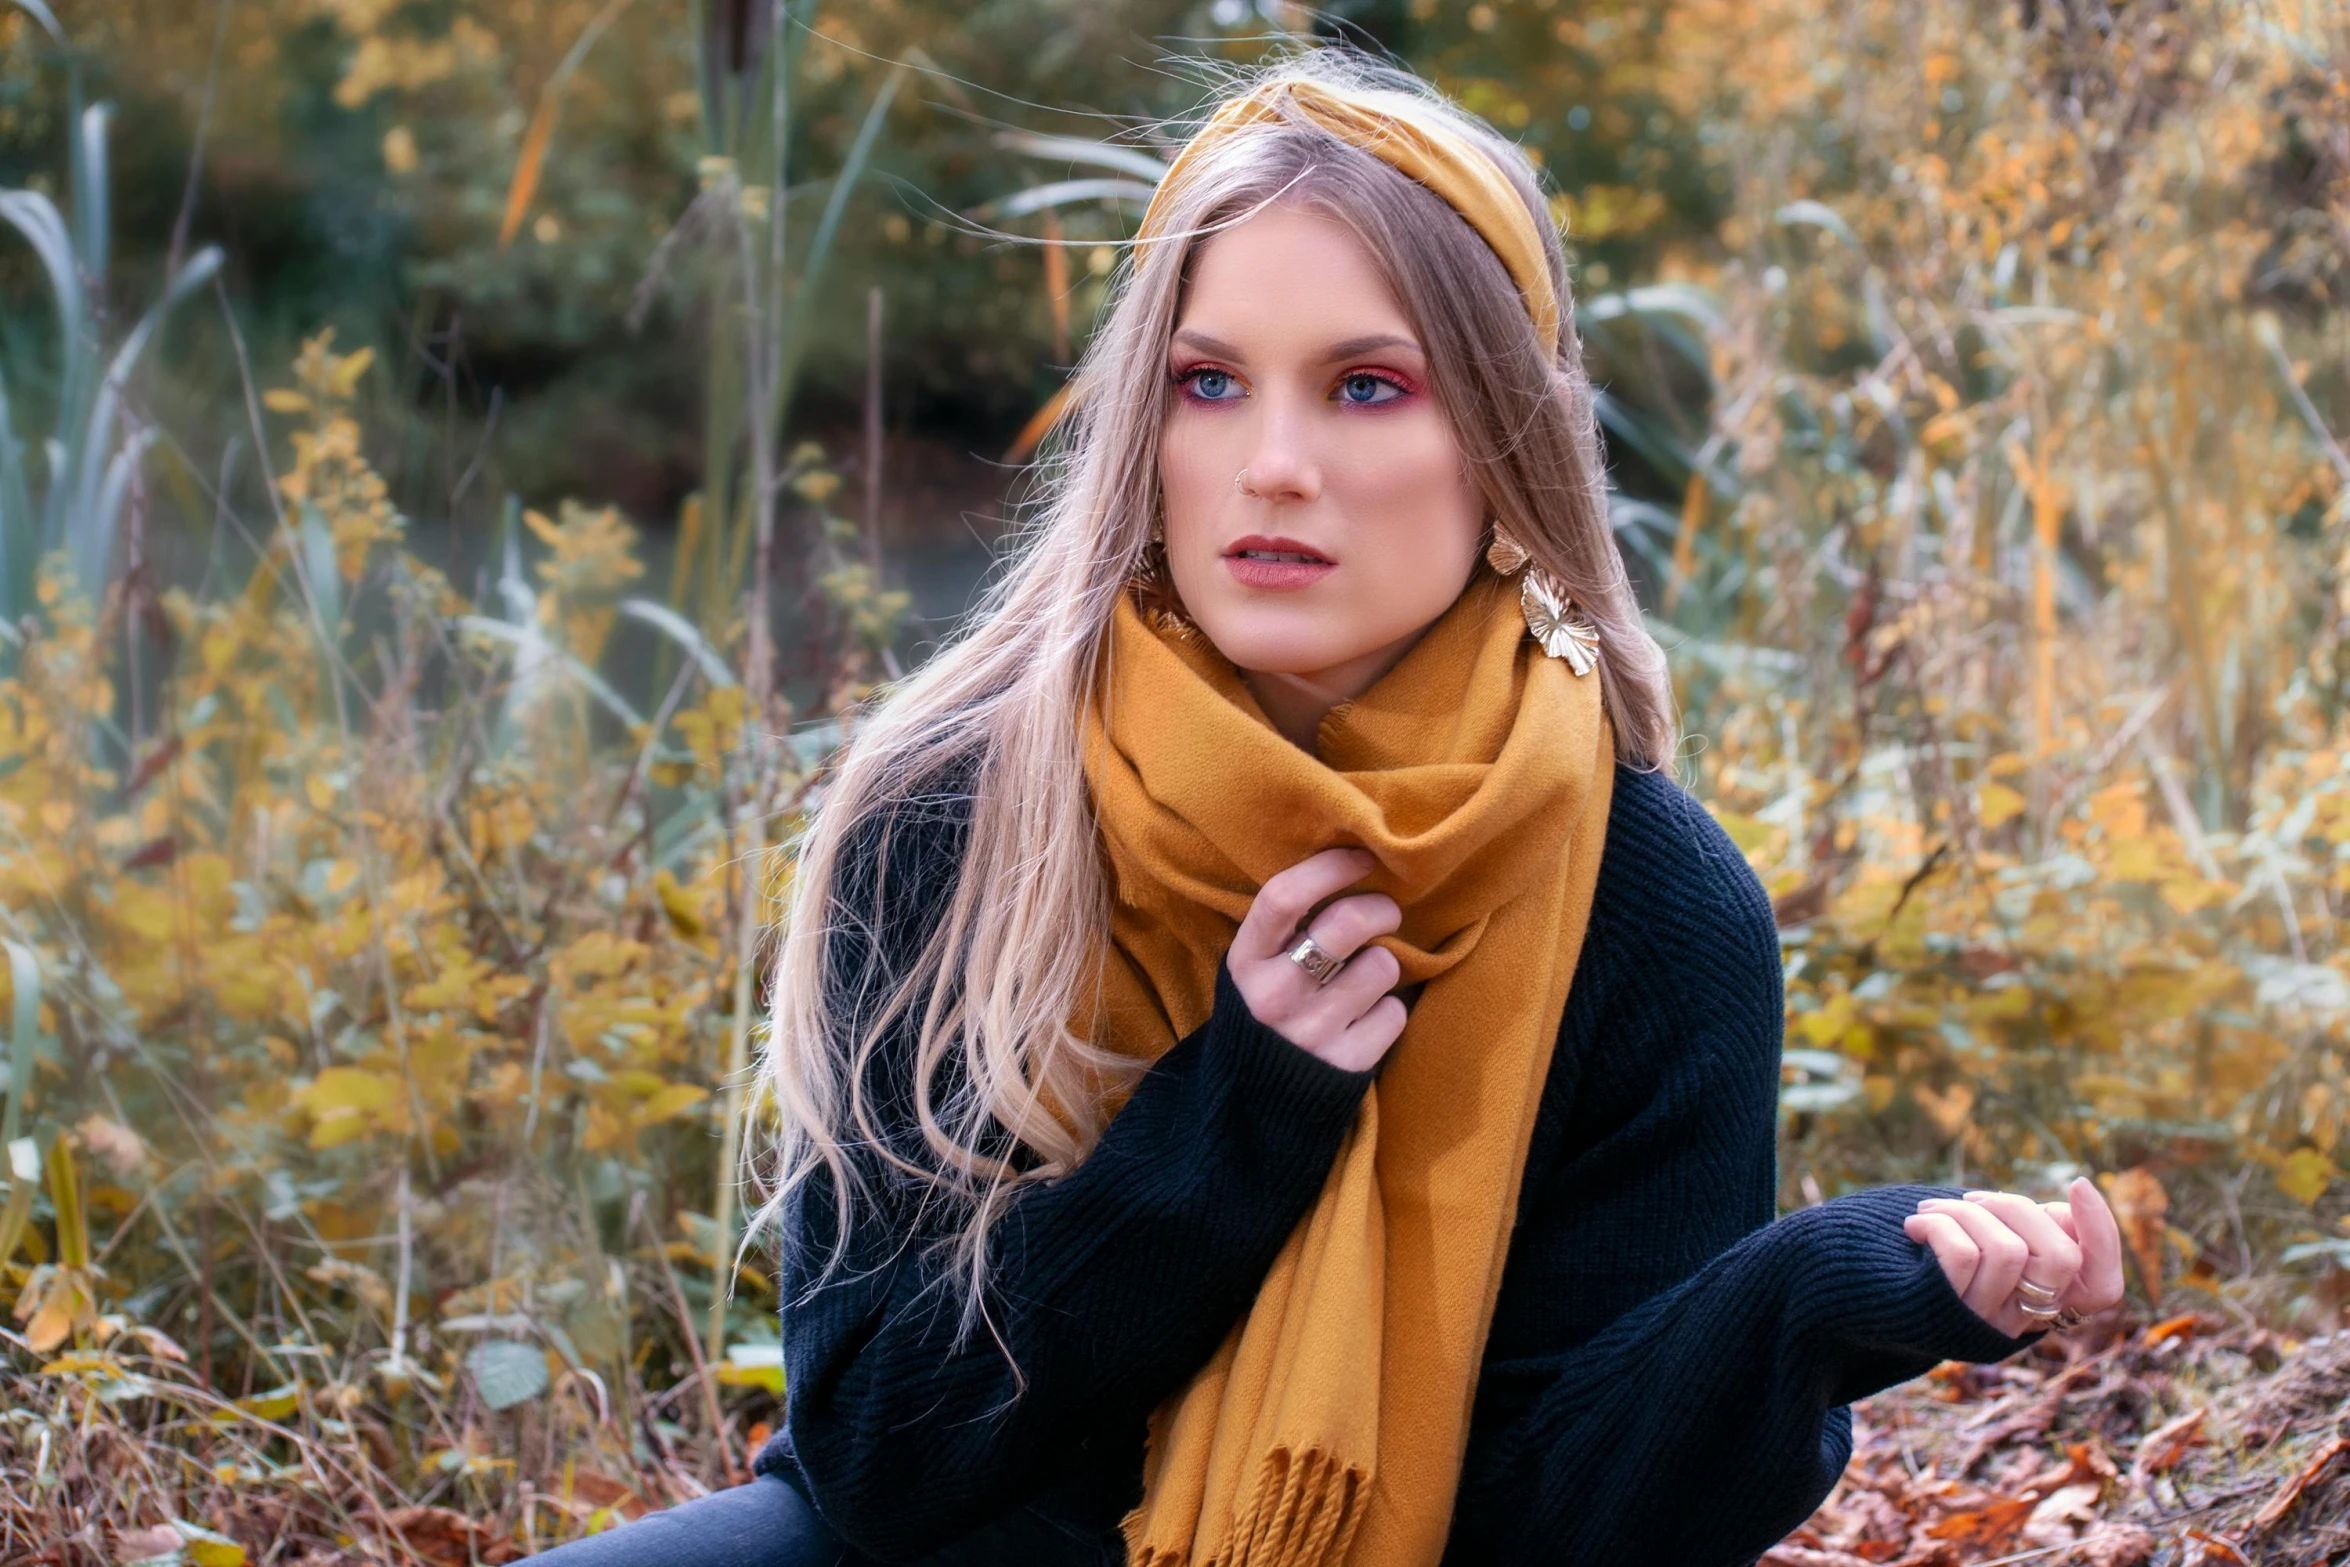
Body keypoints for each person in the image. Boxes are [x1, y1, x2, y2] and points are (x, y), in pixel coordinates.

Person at [530, 49, 2126, 1567]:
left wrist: (1815, 1296)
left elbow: (1554, 1528)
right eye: (1208, 383)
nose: (1270, 463)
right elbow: (881, 1451)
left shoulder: (1648, 899)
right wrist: (1242, 1113)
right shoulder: (954, 808)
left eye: (1366, 387)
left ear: (1503, 436)